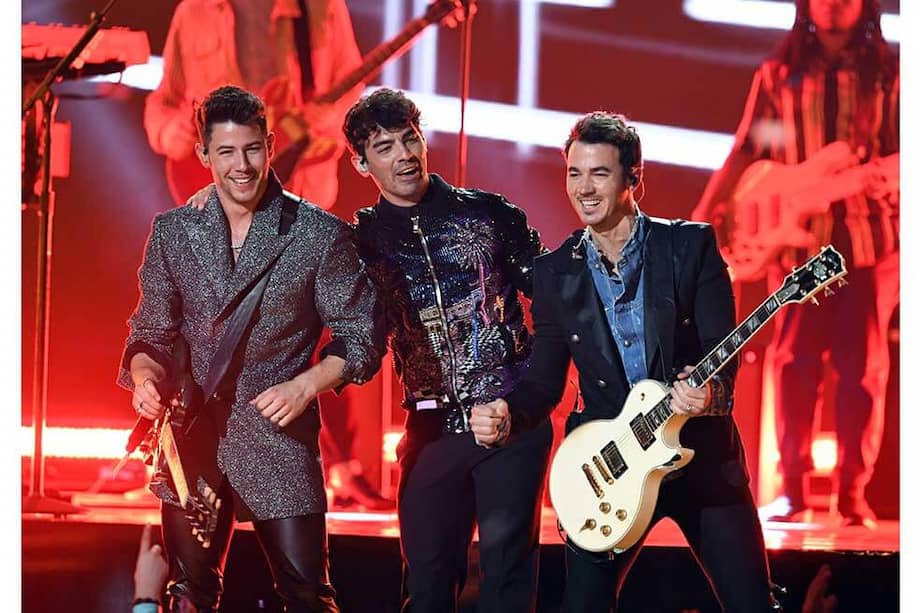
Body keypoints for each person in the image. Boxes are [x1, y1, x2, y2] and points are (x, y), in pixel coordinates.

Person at [472, 112, 777, 612]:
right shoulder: (556, 272)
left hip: (700, 461)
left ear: (634, 177)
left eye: (599, 173)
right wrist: (509, 413)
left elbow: (723, 350)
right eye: (574, 173)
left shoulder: (688, 248)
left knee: (751, 604)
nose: (584, 188)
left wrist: (710, 395)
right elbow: (544, 380)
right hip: (609, 467)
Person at [119, 85, 384, 612]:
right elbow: (149, 333)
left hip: (276, 442)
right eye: (226, 152)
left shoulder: (316, 233)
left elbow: (361, 338)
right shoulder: (174, 232)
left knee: (308, 597)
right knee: (188, 597)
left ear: (269, 144)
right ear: (204, 156)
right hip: (192, 441)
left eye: (252, 149)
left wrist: (306, 385)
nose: (242, 165)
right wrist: (146, 380)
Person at [148, 0, 394, 509]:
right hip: (217, 212)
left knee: (322, 327)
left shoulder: (320, 10)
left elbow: (348, 108)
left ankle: (339, 467)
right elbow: (161, 111)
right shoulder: (195, 11)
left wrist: (316, 130)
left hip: (297, 200)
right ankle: (193, 461)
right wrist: (186, 141)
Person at [343, 88, 554, 612]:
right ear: (361, 161)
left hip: (509, 419)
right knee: (428, 586)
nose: (404, 155)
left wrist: (527, 401)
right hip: (431, 429)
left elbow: (554, 299)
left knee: (507, 583)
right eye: (385, 147)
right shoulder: (358, 243)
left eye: (410, 139)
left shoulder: (487, 214)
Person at [691, 0, 899, 527]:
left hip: (869, 239)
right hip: (800, 245)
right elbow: (746, 147)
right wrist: (704, 217)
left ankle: (852, 495)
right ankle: (797, 492)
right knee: (794, 365)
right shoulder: (779, 73)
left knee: (861, 371)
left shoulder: (891, 74)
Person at [144, 0, 364, 211]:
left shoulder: (322, 6)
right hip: (218, 204)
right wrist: (171, 133)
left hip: (302, 199)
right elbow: (163, 102)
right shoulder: (193, 11)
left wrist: (328, 119)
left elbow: (352, 92)